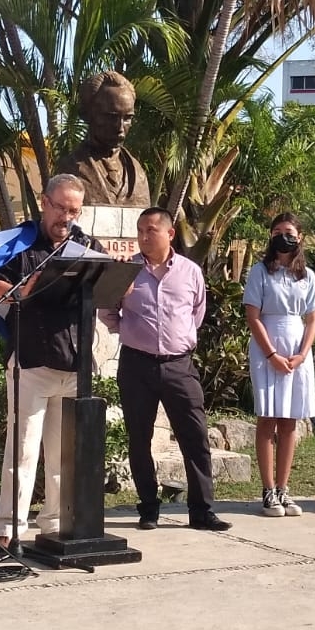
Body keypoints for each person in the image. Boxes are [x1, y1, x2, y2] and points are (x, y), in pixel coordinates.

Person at [0, 173, 102, 553]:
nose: (66, 217)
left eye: (74, 210)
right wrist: (25, 289)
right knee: (23, 452)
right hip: (32, 362)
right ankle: (9, 529)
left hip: (75, 364)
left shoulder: (86, 245)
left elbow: (111, 285)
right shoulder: (19, 243)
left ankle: (55, 523)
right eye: (61, 207)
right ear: (44, 202)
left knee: (64, 456)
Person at [99, 207, 231, 532]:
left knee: (195, 437)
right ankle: (148, 509)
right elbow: (107, 311)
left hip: (179, 365)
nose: (144, 236)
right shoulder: (127, 270)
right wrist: (129, 322)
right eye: (140, 230)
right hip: (137, 365)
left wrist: (176, 339)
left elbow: (196, 313)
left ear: (169, 234)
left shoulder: (190, 271)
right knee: (139, 439)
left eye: (151, 230)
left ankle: (202, 511)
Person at [243, 212, 315, 517]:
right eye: (276, 231)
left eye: (288, 231)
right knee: (268, 418)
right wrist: (272, 354)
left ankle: (284, 488)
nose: (282, 236)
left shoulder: (308, 276)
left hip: (298, 347)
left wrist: (301, 354)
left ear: (299, 237)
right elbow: (253, 317)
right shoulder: (260, 272)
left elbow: (312, 318)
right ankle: (267, 490)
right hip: (268, 345)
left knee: (290, 420)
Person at [57, 71, 152, 207]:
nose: (120, 127)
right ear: (87, 115)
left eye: (127, 118)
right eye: (111, 117)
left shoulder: (138, 174)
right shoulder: (70, 168)